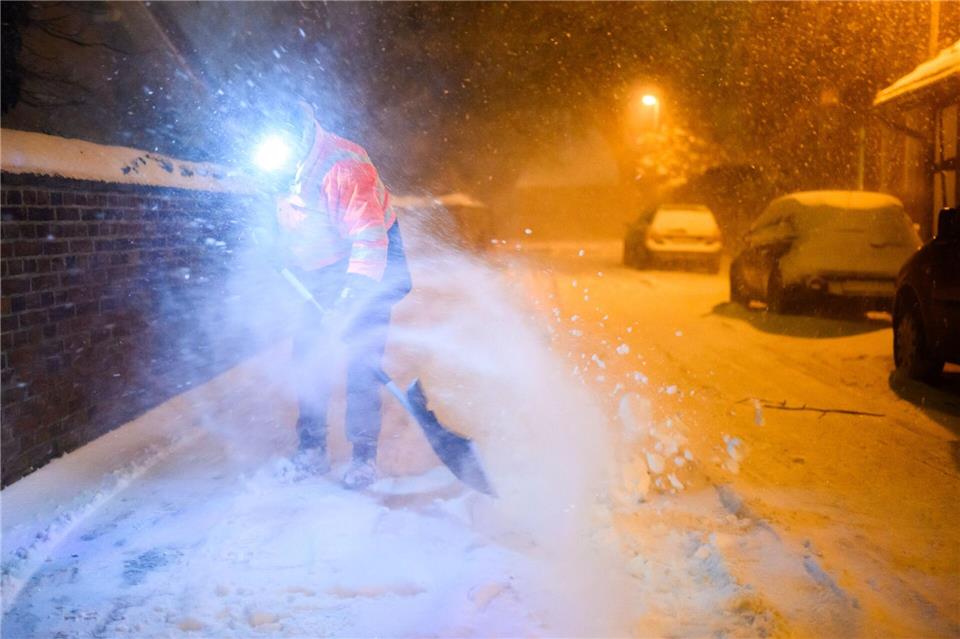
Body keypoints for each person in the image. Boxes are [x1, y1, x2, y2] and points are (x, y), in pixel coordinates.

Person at [275, 102, 411, 489]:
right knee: (308, 355)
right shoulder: (275, 166)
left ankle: (364, 456)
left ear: (299, 133)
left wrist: (350, 302)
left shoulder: (343, 167)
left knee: (362, 359)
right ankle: (312, 448)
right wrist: (274, 247)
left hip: (373, 260)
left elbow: (370, 239)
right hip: (326, 264)